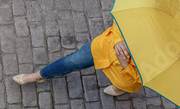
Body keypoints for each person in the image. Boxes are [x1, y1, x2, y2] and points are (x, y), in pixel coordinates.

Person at [13, 21, 142, 96]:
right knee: (71, 61)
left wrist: (125, 65)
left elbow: (147, 77)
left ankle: (119, 88)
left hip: (125, 75)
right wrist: (118, 40)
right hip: (103, 47)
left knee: (122, 84)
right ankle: (39, 76)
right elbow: (121, 20)